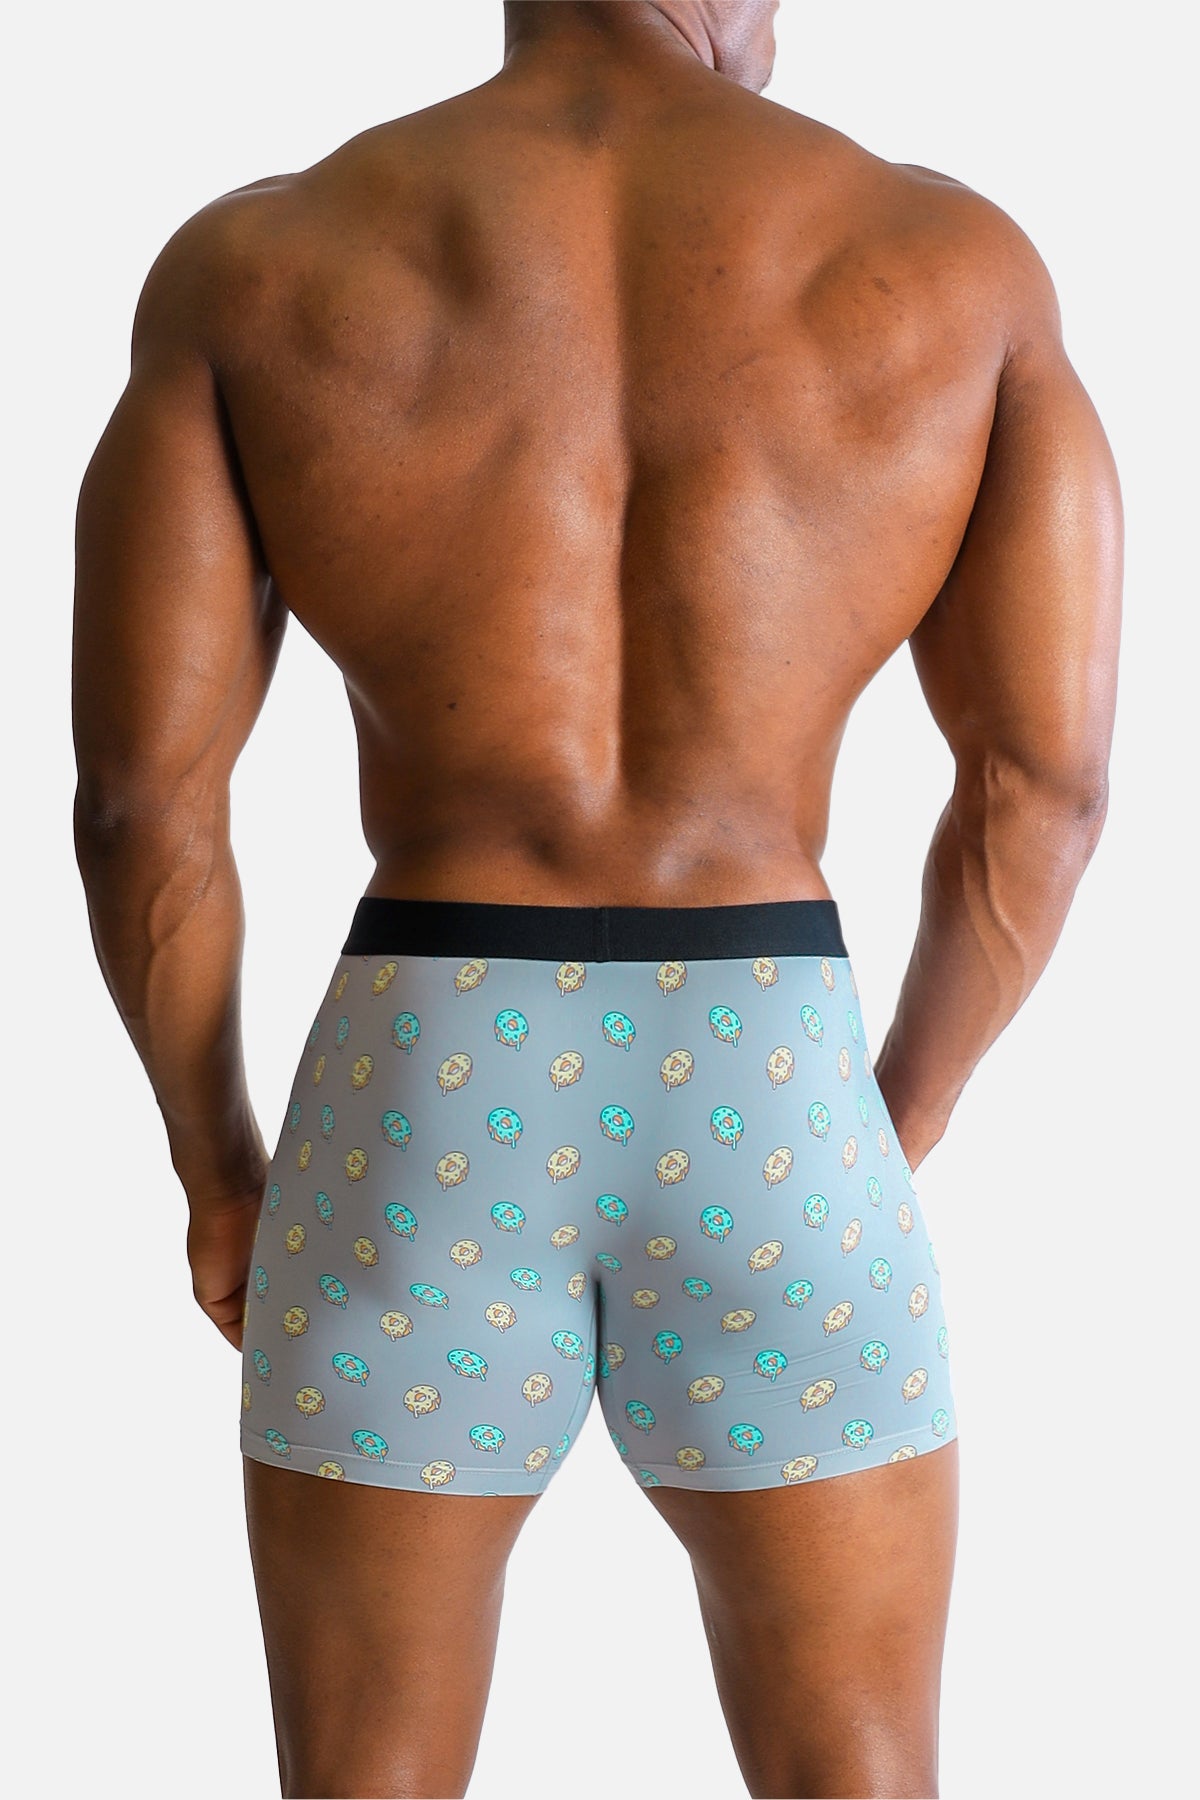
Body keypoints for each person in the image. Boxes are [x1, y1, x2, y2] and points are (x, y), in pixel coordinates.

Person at [71, 2, 1121, 1794]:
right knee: (859, 1774)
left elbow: (142, 808)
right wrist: (896, 1116)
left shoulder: (262, 265)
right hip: (773, 1081)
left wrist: (219, 1170)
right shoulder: (953, 266)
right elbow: (1044, 789)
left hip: (420, 1093)